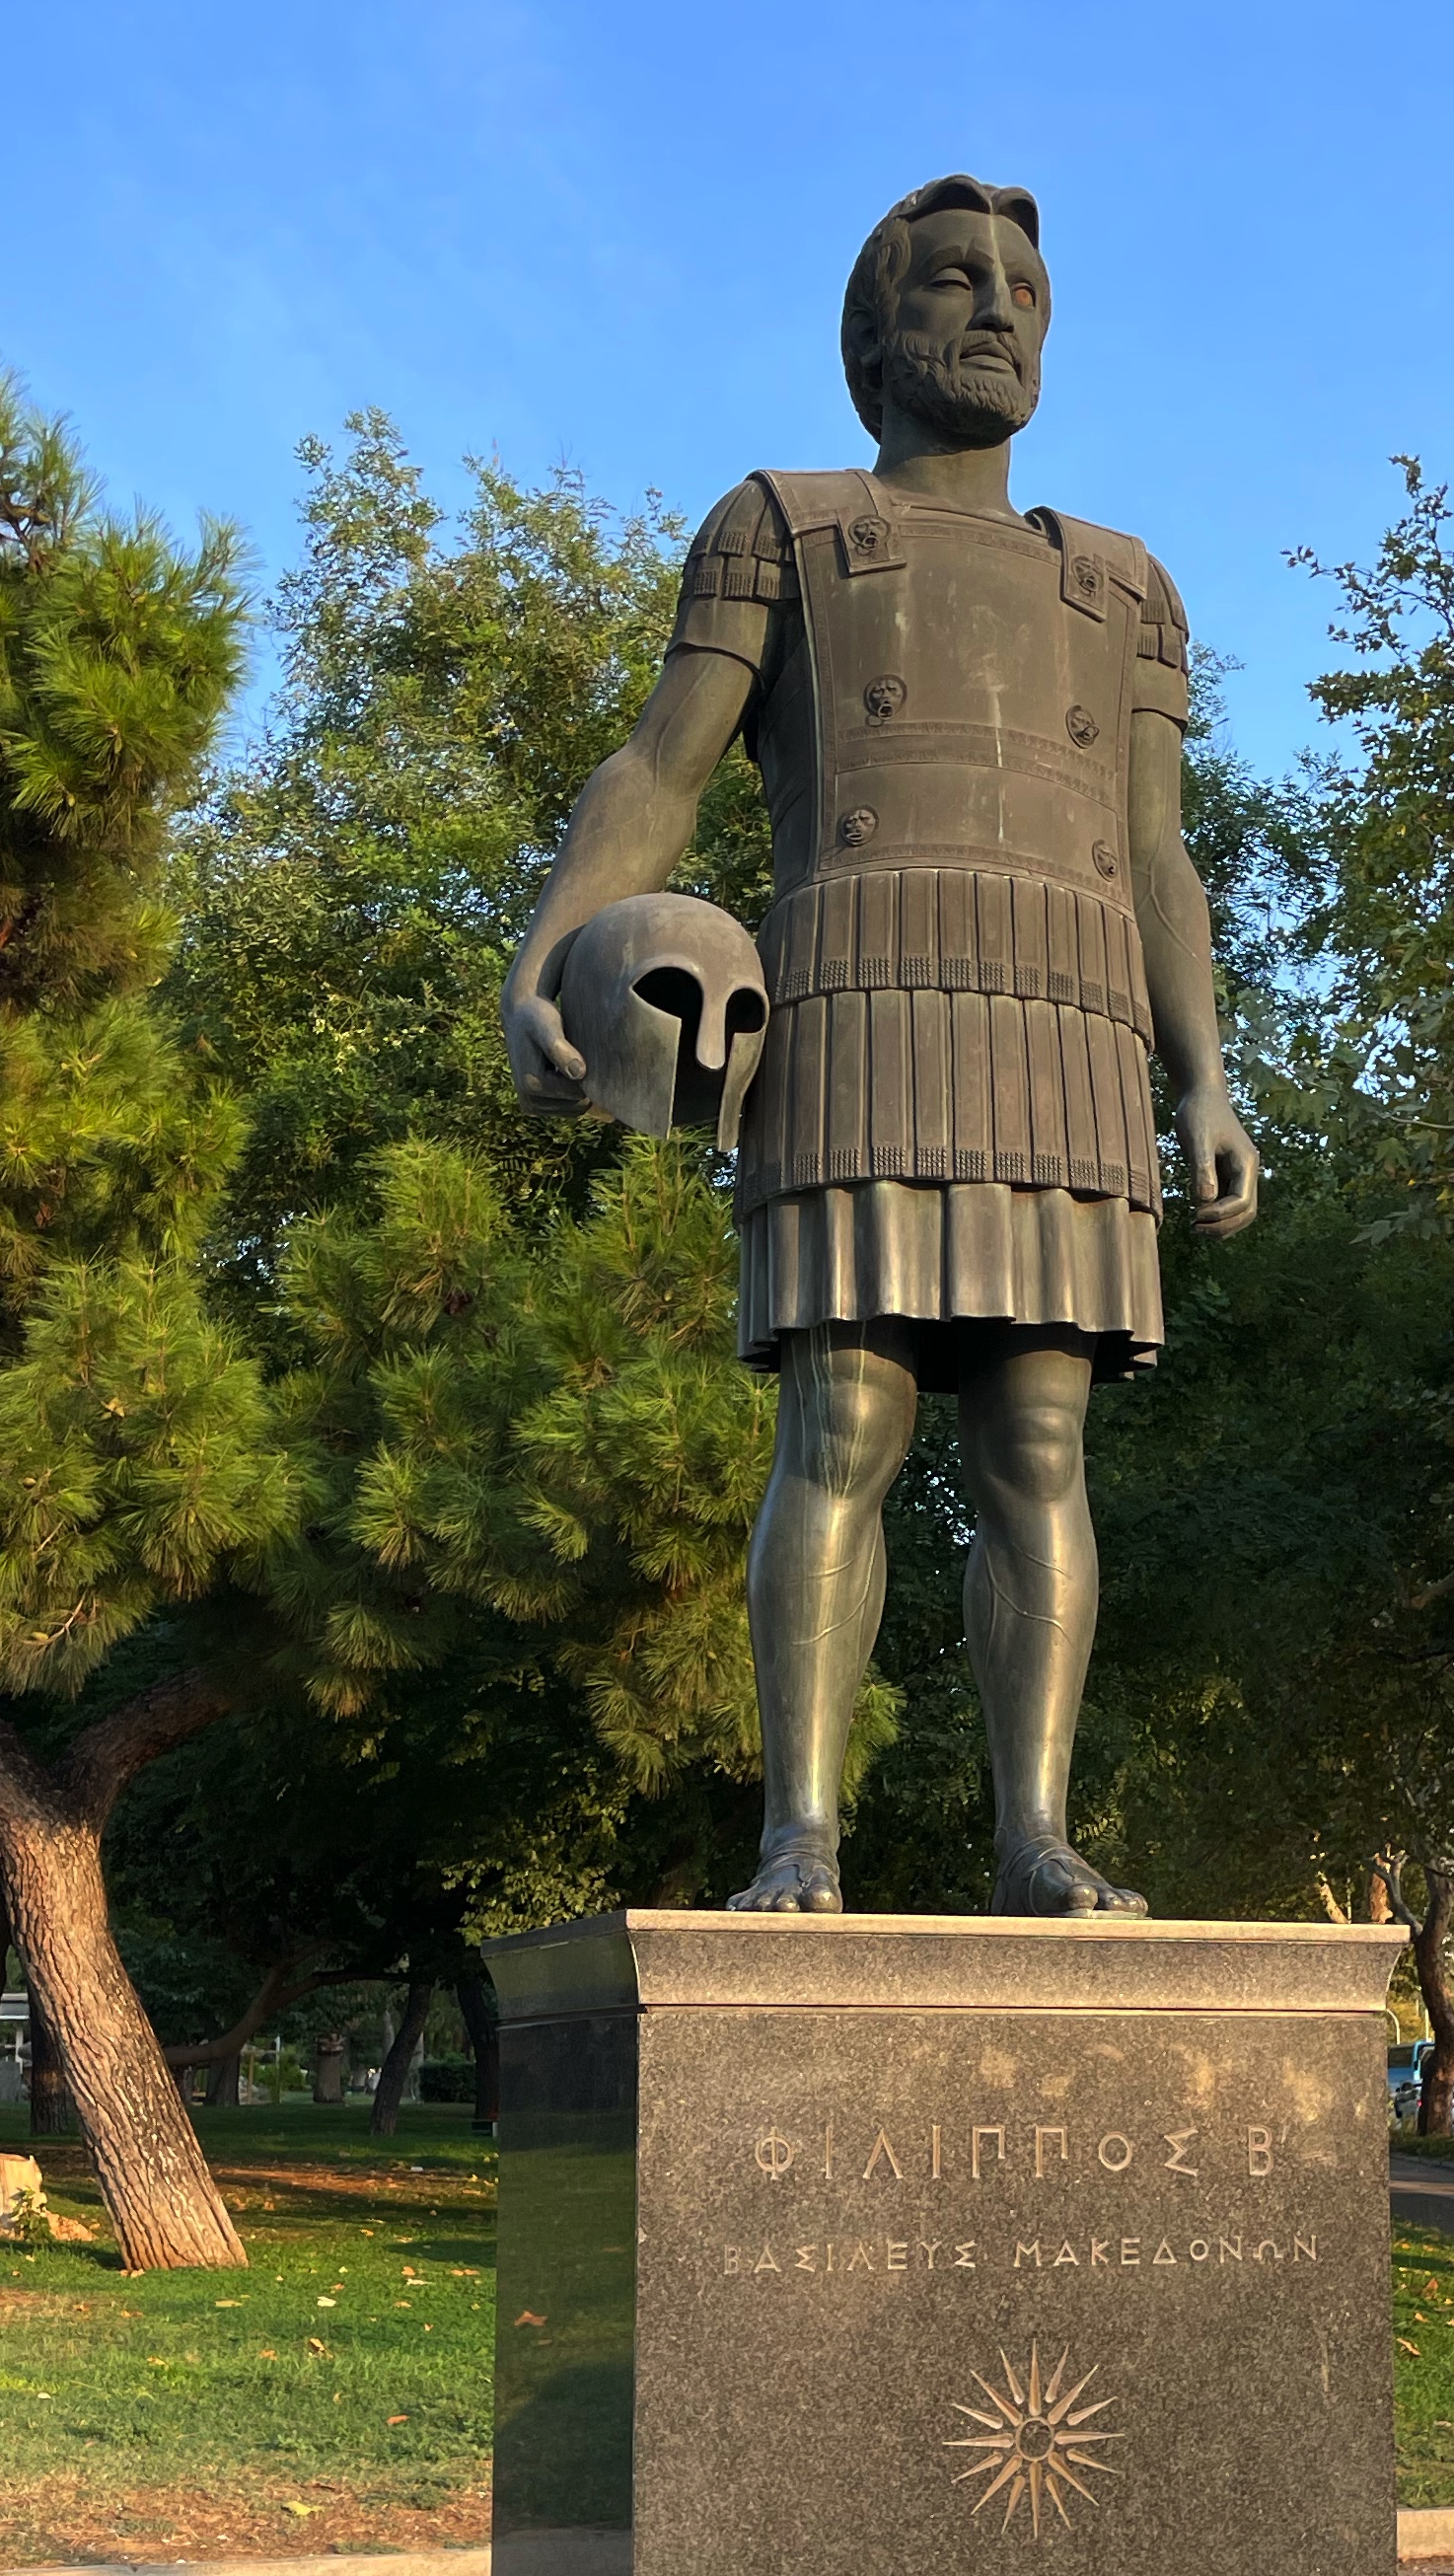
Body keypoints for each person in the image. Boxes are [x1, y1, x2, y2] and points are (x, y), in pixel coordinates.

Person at [502, 178, 1259, 1917]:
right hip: (850, 1010)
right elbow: (661, 772)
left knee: (1042, 1450)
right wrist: (546, 953)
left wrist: (1202, 1075)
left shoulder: (1127, 587)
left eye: (1021, 288)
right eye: (951, 282)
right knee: (841, 1421)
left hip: (1066, 1029)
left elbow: (1158, 857)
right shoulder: (783, 526)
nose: (994, 309)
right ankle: (802, 1838)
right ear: (877, 333)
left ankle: (1036, 1840)